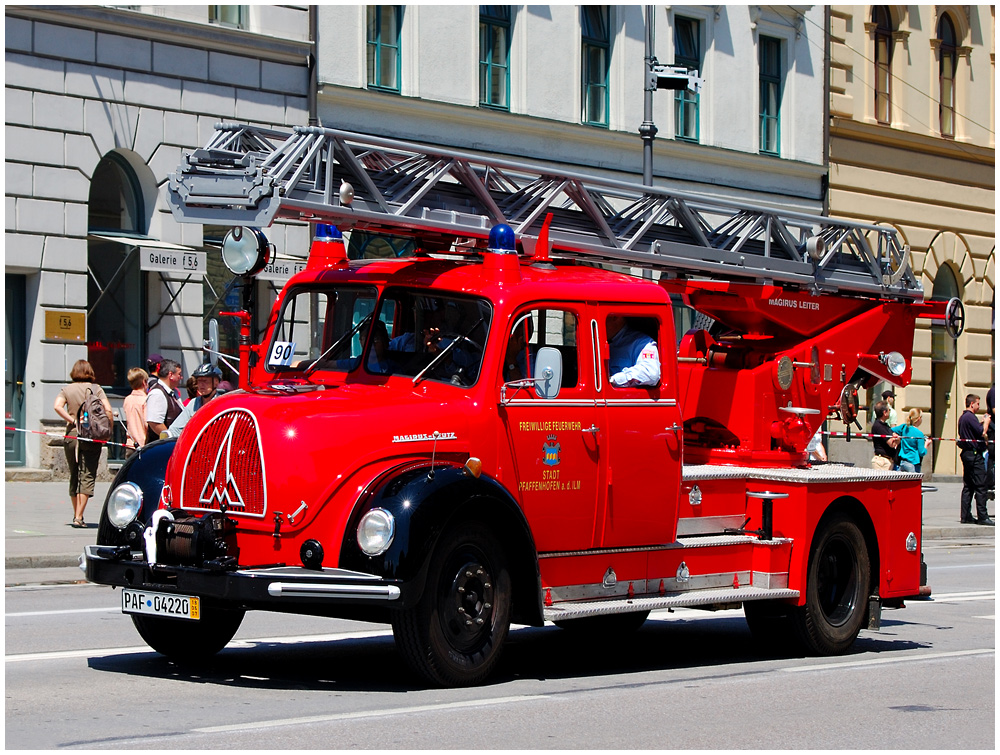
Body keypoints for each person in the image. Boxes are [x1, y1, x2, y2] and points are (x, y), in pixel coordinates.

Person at [52, 359, 112, 528]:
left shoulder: (66, 389)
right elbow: (107, 409)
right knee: (87, 473)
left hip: (71, 435)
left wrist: (72, 420)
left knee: (74, 474)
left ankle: (77, 514)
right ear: (89, 372)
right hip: (91, 435)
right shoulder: (96, 389)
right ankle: (79, 516)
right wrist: (107, 428)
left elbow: (57, 406)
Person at [957, 393, 992, 525]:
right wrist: (986, 423)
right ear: (972, 404)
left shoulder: (963, 417)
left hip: (967, 454)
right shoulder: (970, 417)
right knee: (981, 485)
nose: (979, 406)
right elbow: (981, 432)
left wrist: (981, 423)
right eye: (978, 403)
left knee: (968, 486)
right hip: (974, 454)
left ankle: (965, 515)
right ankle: (983, 516)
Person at [167, 364, 225, 437]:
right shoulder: (193, 403)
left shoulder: (223, 403)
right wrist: (169, 434)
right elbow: (176, 428)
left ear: (216, 382)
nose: (201, 384)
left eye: (205, 381)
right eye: (199, 381)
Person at [606, 314, 660, 388]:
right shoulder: (597, 341)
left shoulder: (642, 342)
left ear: (616, 317)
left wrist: (614, 380)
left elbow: (650, 373)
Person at [146, 359, 183, 442]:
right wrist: (171, 439)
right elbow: (155, 423)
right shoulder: (157, 393)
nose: (181, 377)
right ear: (171, 375)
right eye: (179, 374)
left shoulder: (173, 392)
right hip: (162, 448)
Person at [892, 408, 930, 474]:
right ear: (919, 419)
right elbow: (921, 452)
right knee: (914, 483)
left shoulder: (904, 427)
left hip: (903, 461)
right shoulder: (919, 434)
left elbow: (890, 430)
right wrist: (926, 444)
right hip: (913, 463)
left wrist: (895, 435)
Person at [121, 367, 148, 458]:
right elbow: (147, 424)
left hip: (130, 443)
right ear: (144, 382)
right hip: (143, 444)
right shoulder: (145, 400)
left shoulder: (127, 399)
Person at [870, 400, 900, 471]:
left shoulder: (885, 426)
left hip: (888, 460)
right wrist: (895, 438)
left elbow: (896, 441)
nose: (890, 411)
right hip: (881, 462)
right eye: (889, 410)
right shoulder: (879, 426)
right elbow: (892, 444)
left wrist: (896, 438)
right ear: (884, 412)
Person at [987, 385, 995, 502]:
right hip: (994, 429)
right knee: (993, 458)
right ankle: (991, 482)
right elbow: (994, 409)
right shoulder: (994, 391)